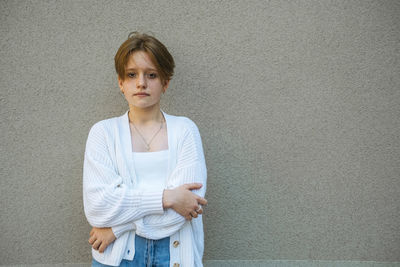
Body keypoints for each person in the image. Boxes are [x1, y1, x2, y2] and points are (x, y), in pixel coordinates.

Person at [83, 32, 207, 267]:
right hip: (117, 258)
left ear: (165, 83)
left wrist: (118, 227)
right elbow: (99, 207)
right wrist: (167, 197)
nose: (141, 83)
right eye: (132, 75)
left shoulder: (185, 130)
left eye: (151, 75)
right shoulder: (103, 133)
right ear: (121, 82)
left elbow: (188, 207)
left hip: (176, 255)